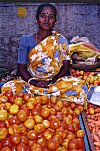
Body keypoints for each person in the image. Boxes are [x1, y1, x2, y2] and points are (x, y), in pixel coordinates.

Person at [1, 3, 89, 104]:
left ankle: (37, 97)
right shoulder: (25, 40)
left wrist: (51, 82)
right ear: (37, 19)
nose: (46, 20)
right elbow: (21, 68)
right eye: (43, 16)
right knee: (7, 88)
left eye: (51, 17)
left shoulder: (61, 40)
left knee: (81, 86)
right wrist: (35, 82)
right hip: (31, 81)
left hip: (55, 82)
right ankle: (49, 97)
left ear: (55, 21)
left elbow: (65, 67)